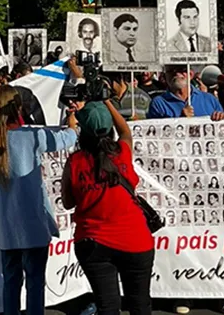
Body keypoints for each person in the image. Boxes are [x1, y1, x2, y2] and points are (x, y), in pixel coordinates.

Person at [0, 85, 79, 315]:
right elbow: (67, 139)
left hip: (6, 227)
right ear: (18, 107)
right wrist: (71, 123)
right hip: (34, 224)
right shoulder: (33, 136)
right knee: (35, 284)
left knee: (11, 283)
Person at [61, 100, 154, 315]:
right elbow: (125, 130)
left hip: (93, 243)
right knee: (140, 305)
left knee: (108, 307)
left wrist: (71, 121)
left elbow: (68, 203)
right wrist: (106, 101)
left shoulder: (75, 162)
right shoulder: (122, 151)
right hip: (135, 240)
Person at [147, 65, 224, 121]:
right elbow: (155, 133)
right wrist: (180, 120)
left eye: (181, 70)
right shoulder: (158, 103)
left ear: (191, 74)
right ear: (164, 77)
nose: (177, 74)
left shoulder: (209, 99)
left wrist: (221, 117)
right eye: (171, 71)